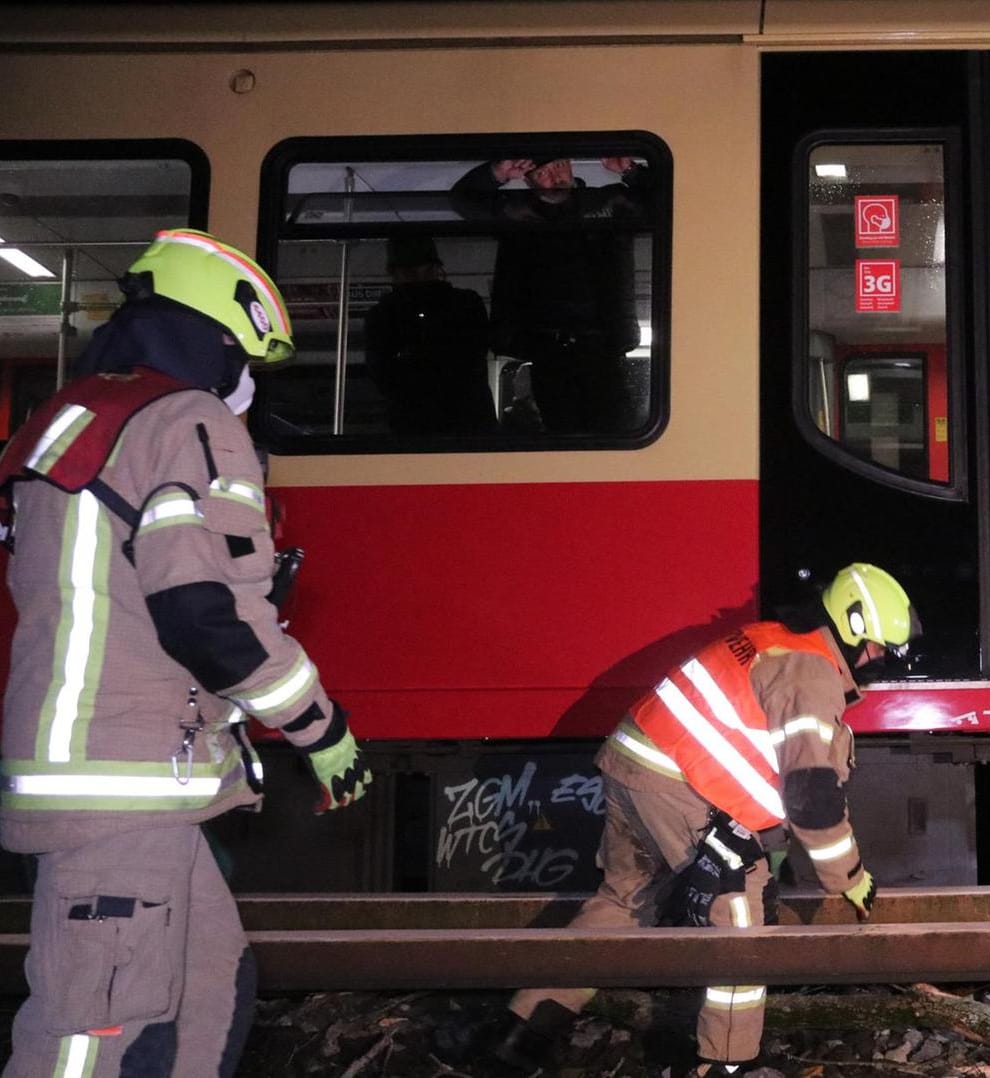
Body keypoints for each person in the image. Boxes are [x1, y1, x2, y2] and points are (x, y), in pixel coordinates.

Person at [0, 229, 370, 1078]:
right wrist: (321, 729)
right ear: (215, 336)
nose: (248, 387)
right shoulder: (187, 420)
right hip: (121, 789)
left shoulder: (67, 416)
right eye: (248, 361)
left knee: (207, 988)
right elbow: (205, 613)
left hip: (106, 773)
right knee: (92, 1033)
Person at [464, 563, 920, 1077]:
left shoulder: (769, 639)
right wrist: (849, 879)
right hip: (678, 788)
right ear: (852, 627)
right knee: (739, 926)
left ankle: (520, 1034)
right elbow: (812, 795)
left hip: (633, 767)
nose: (878, 659)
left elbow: (750, 751)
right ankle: (726, 1063)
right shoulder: (809, 672)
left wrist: (766, 836)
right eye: (879, 647)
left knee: (625, 902)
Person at [452, 156, 648, 435]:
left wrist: (631, 170)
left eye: (559, 166)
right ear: (527, 180)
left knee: (615, 430)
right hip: (545, 346)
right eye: (543, 172)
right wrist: (497, 173)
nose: (555, 177)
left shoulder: (609, 204)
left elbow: (667, 199)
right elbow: (462, 200)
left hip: (603, 341)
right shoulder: (516, 214)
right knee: (563, 434)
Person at [362, 234, 496, 435]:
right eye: (411, 274)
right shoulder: (465, 304)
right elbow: (383, 375)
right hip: (451, 420)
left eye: (426, 272)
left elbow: (473, 356)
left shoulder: (465, 304)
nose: (420, 281)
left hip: (436, 421)